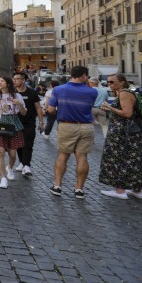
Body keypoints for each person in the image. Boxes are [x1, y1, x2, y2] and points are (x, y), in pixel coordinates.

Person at [47, 65, 98, 199]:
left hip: (67, 125)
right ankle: (79, 189)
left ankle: (57, 186)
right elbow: (89, 107)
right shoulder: (92, 92)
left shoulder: (58, 89)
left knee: (63, 155)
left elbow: (51, 110)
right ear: (84, 76)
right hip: (86, 126)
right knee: (82, 157)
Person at [98, 74, 142, 200]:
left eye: (112, 82)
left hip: (122, 133)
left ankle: (120, 191)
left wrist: (109, 107)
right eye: (108, 82)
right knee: (134, 160)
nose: (109, 84)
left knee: (119, 159)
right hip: (131, 133)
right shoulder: (128, 92)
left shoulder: (124, 93)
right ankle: (137, 190)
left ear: (122, 82)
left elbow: (127, 113)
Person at [12, 72, 43, 177]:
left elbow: (38, 107)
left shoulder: (32, 92)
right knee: (18, 144)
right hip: (15, 122)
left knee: (28, 143)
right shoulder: (12, 92)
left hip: (29, 122)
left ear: (23, 80)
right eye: (14, 79)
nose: (15, 81)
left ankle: (27, 165)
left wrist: (41, 122)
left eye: (17, 79)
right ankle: (22, 162)